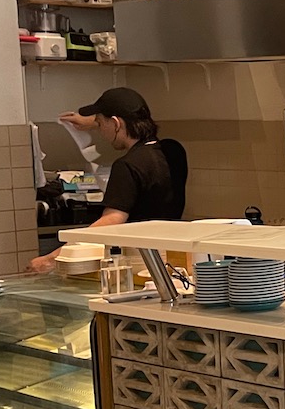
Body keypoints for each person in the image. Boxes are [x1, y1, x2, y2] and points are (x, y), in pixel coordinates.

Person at [29, 87, 188, 273]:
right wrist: (95, 121)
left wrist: (51, 259)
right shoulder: (174, 151)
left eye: (100, 123)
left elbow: (111, 222)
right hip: (172, 258)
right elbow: (126, 120)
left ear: (116, 123)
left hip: (139, 263)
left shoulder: (127, 165)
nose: (101, 131)